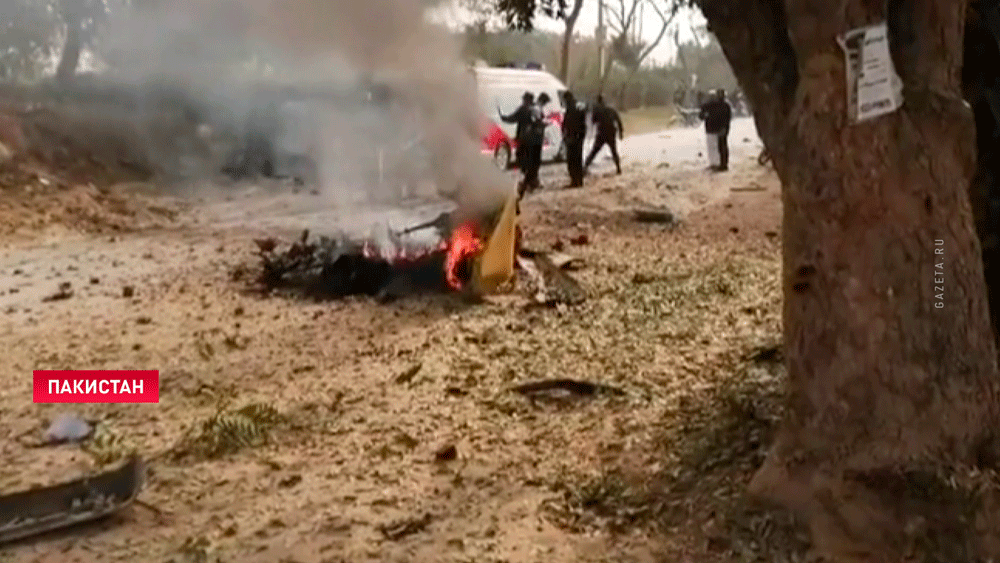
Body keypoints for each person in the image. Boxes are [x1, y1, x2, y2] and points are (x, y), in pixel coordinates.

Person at [499, 91, 546, 195]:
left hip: (525, 140)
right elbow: (541, 122)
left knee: (524, 161)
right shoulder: (536, 110)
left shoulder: (524, 109)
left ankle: (527, 182)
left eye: (524, 99)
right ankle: (532, 181)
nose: (523, 101)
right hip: (534, 140)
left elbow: (513, 118)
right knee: (533, 162)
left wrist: (503, 118)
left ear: (527, 100)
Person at [584, 95, 623, 175]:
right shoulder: (611, 110)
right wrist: (620, 132)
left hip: (601, 133)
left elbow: (593, 122)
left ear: (598, 102)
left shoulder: (597, 110)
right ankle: (618, 168)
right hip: (611, 133)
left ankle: (585, 167)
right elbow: (618, 121)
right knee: (614, 151)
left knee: (594, 151)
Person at [699, 89, 733, 172]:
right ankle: (719, 164)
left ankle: (720, 164)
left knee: (719, 147)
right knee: (719, 146)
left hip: (716, 129)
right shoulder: (722, 105)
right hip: (716, 129)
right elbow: (701, 115)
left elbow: (727, 118)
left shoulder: (721, 105)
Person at [561, 91, 587, 187]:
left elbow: (568, 122)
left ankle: (574, 180)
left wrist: (565, 134)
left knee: (572, 160)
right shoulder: (579, 106)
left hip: (573, 136)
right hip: (579, 136)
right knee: (578, 159)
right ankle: (579, 181)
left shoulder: (571, 107)